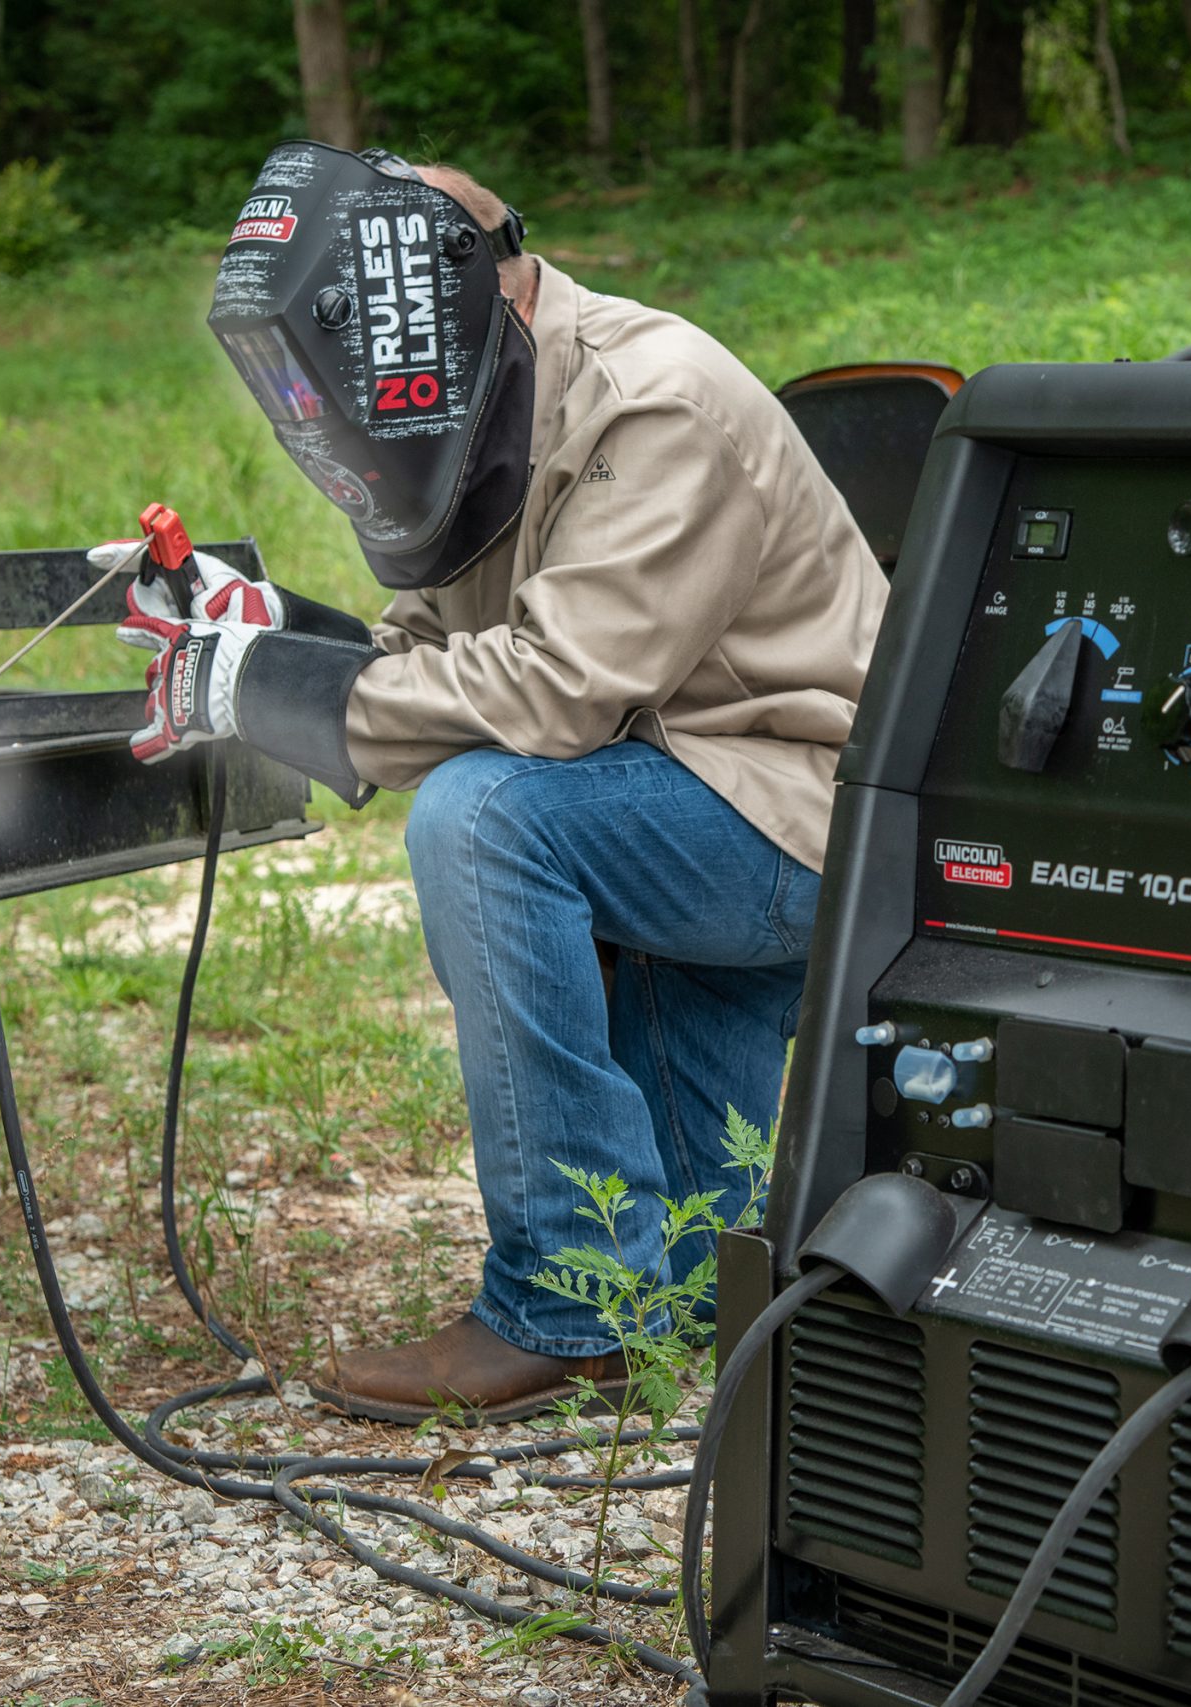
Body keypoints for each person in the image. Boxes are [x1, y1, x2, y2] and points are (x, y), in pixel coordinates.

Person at [106, 142, 886, 1422]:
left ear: (490, 292)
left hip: (798, 815)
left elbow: (552, 692)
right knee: (695, 1284)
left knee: (486, 818)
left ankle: (565, 1305)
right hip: (674, 785)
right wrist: (268, 636)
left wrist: (270, 692)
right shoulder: (478, 406)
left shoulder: (653, 402)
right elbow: (431, 650)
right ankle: (654, 1301)